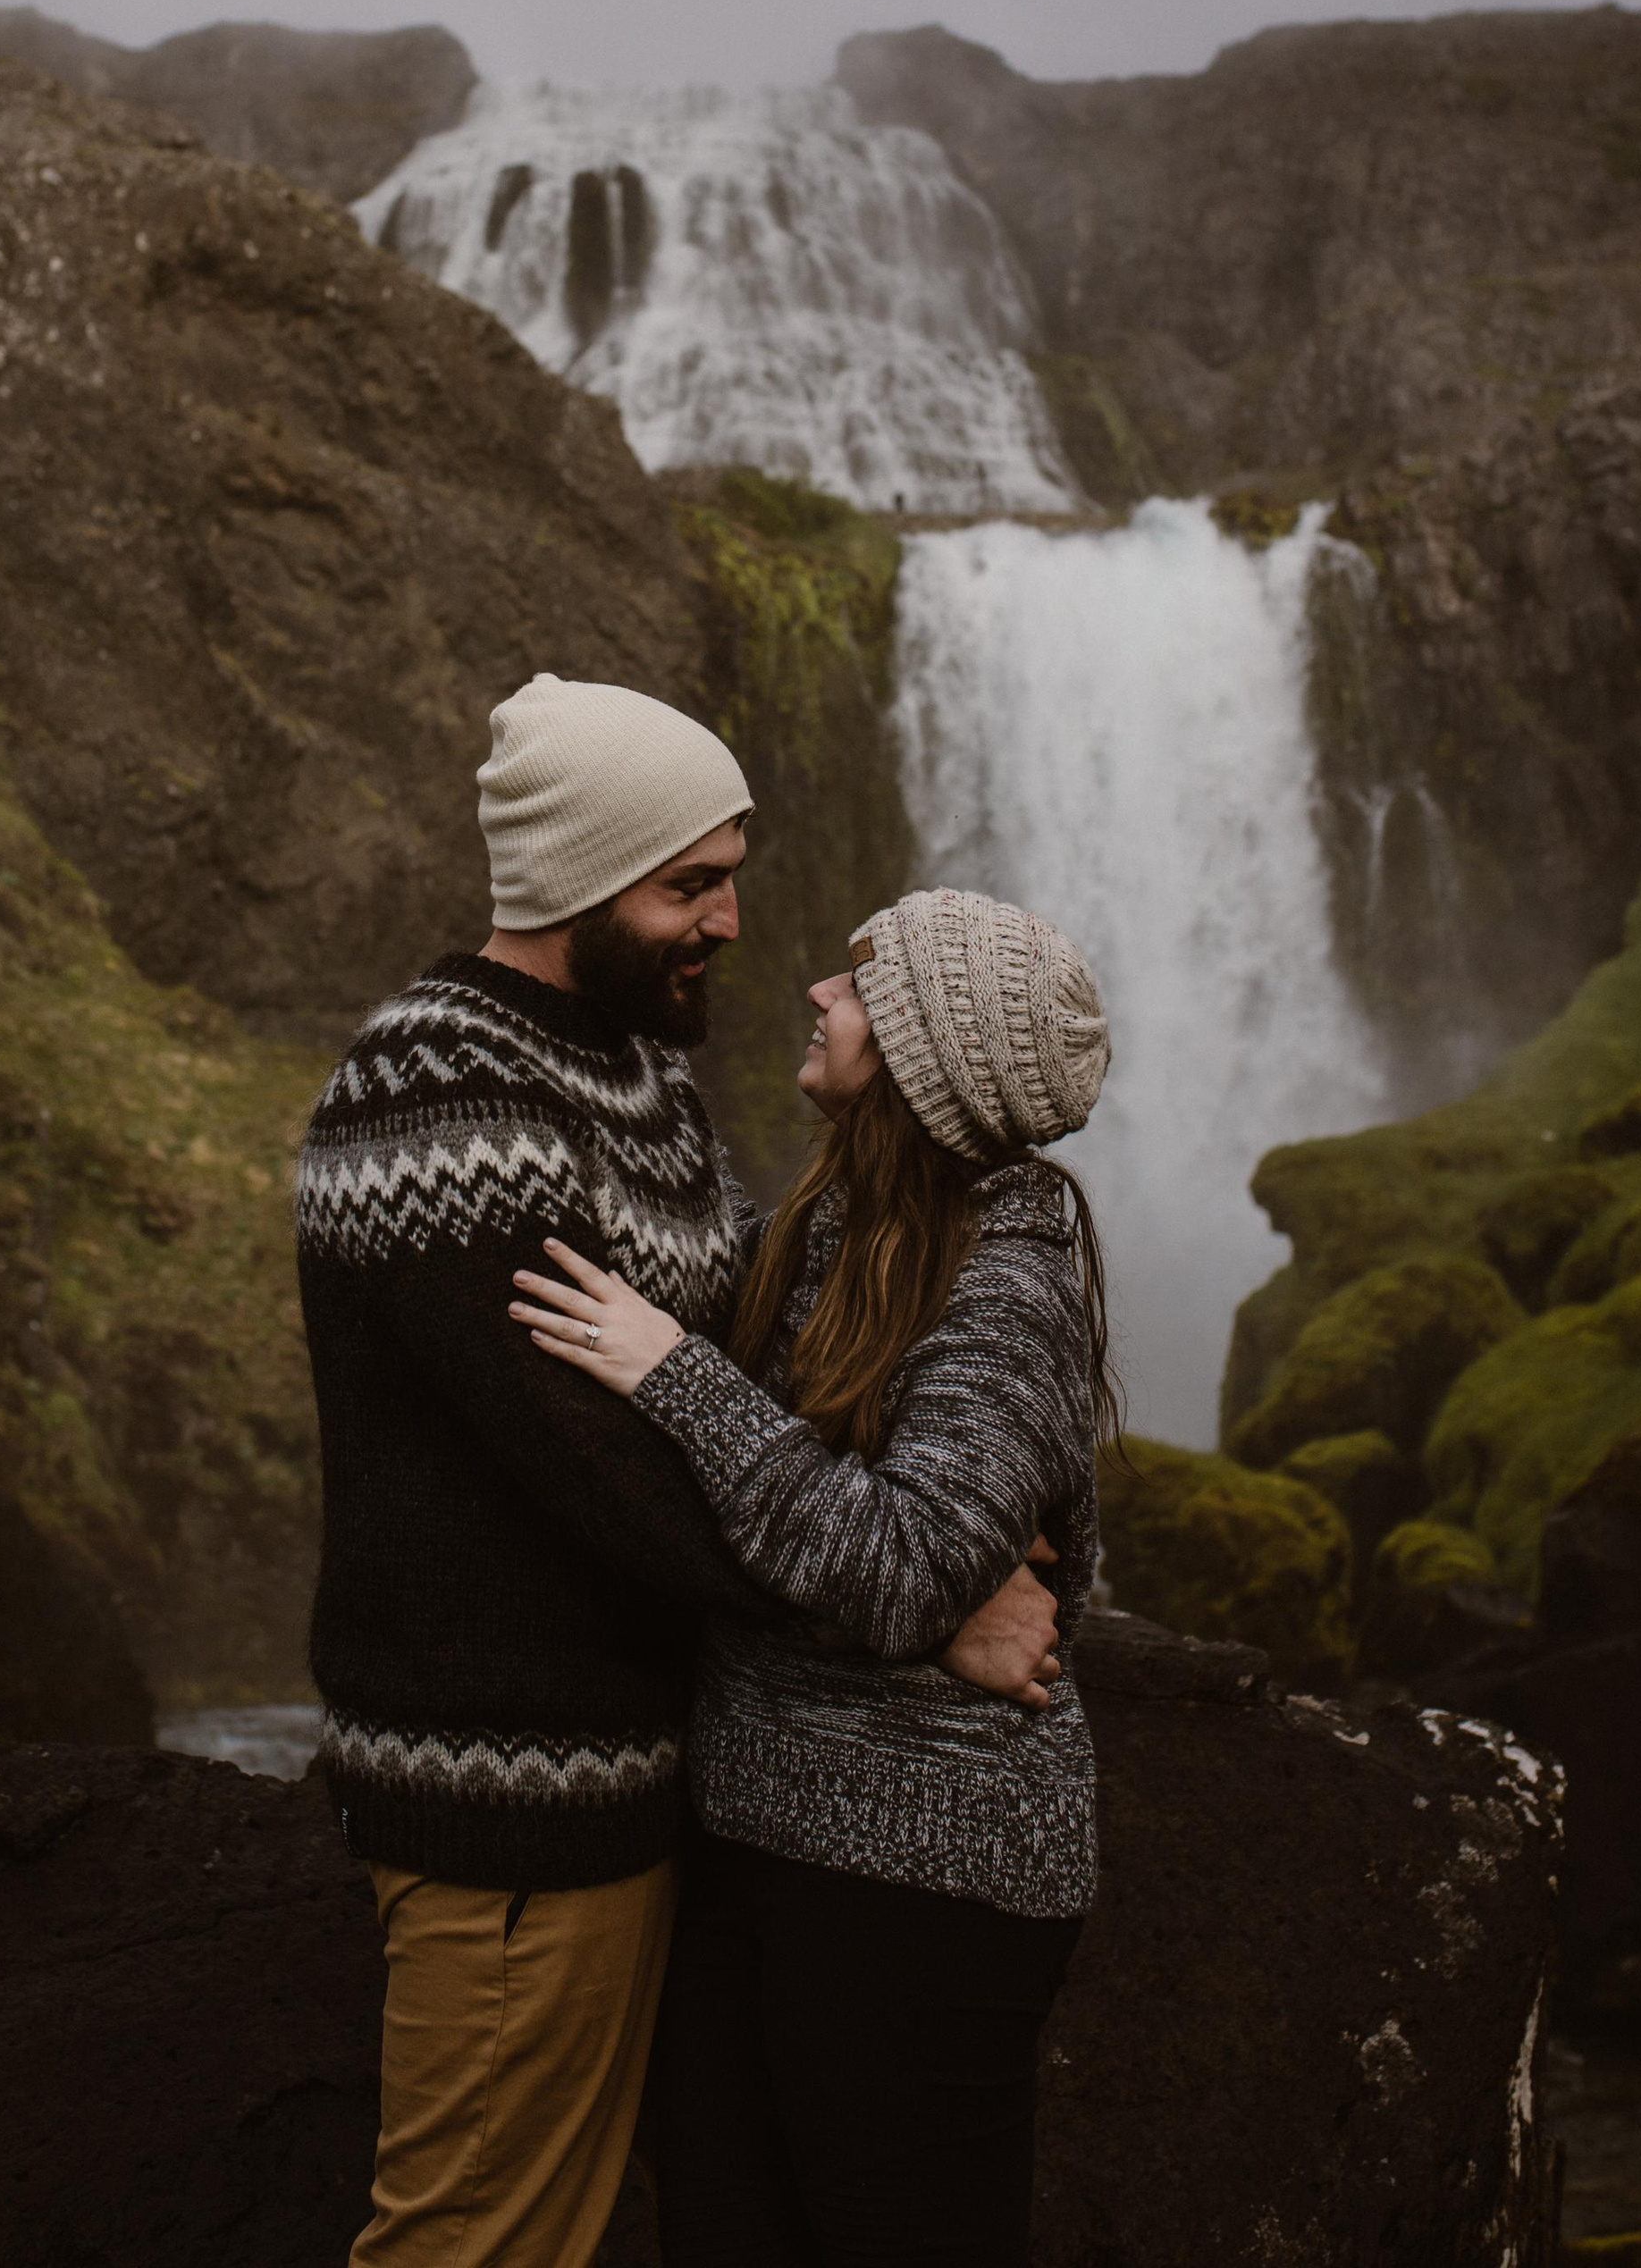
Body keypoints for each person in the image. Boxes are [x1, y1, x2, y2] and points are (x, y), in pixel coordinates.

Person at [297, 682, 1061, 2268]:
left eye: (727, 875)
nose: (730, 920)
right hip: (508, 1791)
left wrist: (924, 1541)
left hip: (646, 1784)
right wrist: (910, 1609)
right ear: (580, 878)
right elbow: (602, 1466)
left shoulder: (641, 1075)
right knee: (474, 2243)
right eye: (688, 884)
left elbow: (733, 1391)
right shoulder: (445, 1092)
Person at [510, 884, 1115, 2266]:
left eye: (863, 988)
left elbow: (897, 1570)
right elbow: (885, 1565)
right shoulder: (832, 1226)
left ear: (924, 1056)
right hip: (760, 1839)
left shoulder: (1007, 1290)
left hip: (927, 1884)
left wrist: (675, 1374)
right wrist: (939, 1603)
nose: (818, 995)